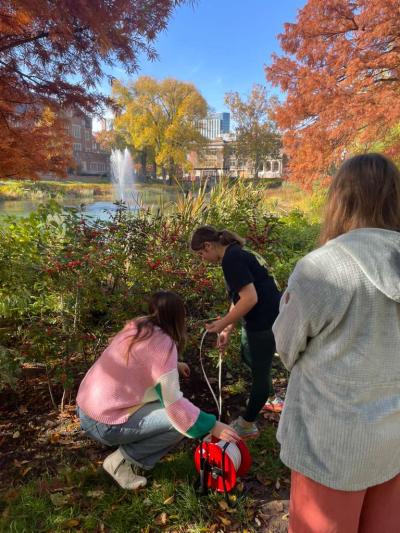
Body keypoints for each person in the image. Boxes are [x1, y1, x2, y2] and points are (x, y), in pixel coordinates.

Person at [272, 153, 400, 532]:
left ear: (341, 200)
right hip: (392, 440)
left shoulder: (322, 268)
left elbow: (285, 347)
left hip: (329, 444)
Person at [76, 291, 238, 490]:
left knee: (175, 414)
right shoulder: (165, 346)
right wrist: (213, 426)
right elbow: (175, 408)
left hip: (86, 407)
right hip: (102, 422)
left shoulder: (138, 325)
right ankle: (120, 462)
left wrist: (174, 365)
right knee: (177, 424)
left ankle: (125, 456)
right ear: (179, 318)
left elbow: (137, 361)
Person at [190, 226, 282, 439]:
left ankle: (248, 424)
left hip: (264, 322)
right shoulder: (236, 253)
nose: (202, 259)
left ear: (208, 245)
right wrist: (229, 328)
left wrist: (221, 324)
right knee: (248, 356)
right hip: (261, 319)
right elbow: (240, 297)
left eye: (201, 254)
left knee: (260, 372)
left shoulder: (232, 259)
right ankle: (265, 394)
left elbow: (250, 299)